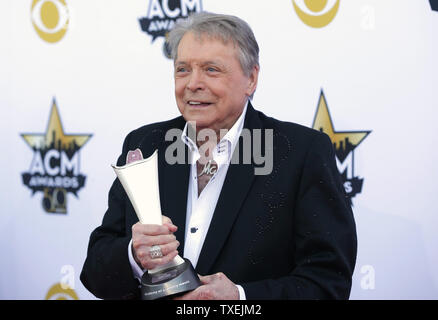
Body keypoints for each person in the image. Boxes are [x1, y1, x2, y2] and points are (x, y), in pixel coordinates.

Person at [80, 12, 357, 300]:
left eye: (211, 70)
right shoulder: (145, 144)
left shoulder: (301, 152)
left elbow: (328, 283)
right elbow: (95, 273)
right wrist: (134, 256)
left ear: (251, 78)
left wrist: (239, 298)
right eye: (183, 69)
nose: (193, 84)